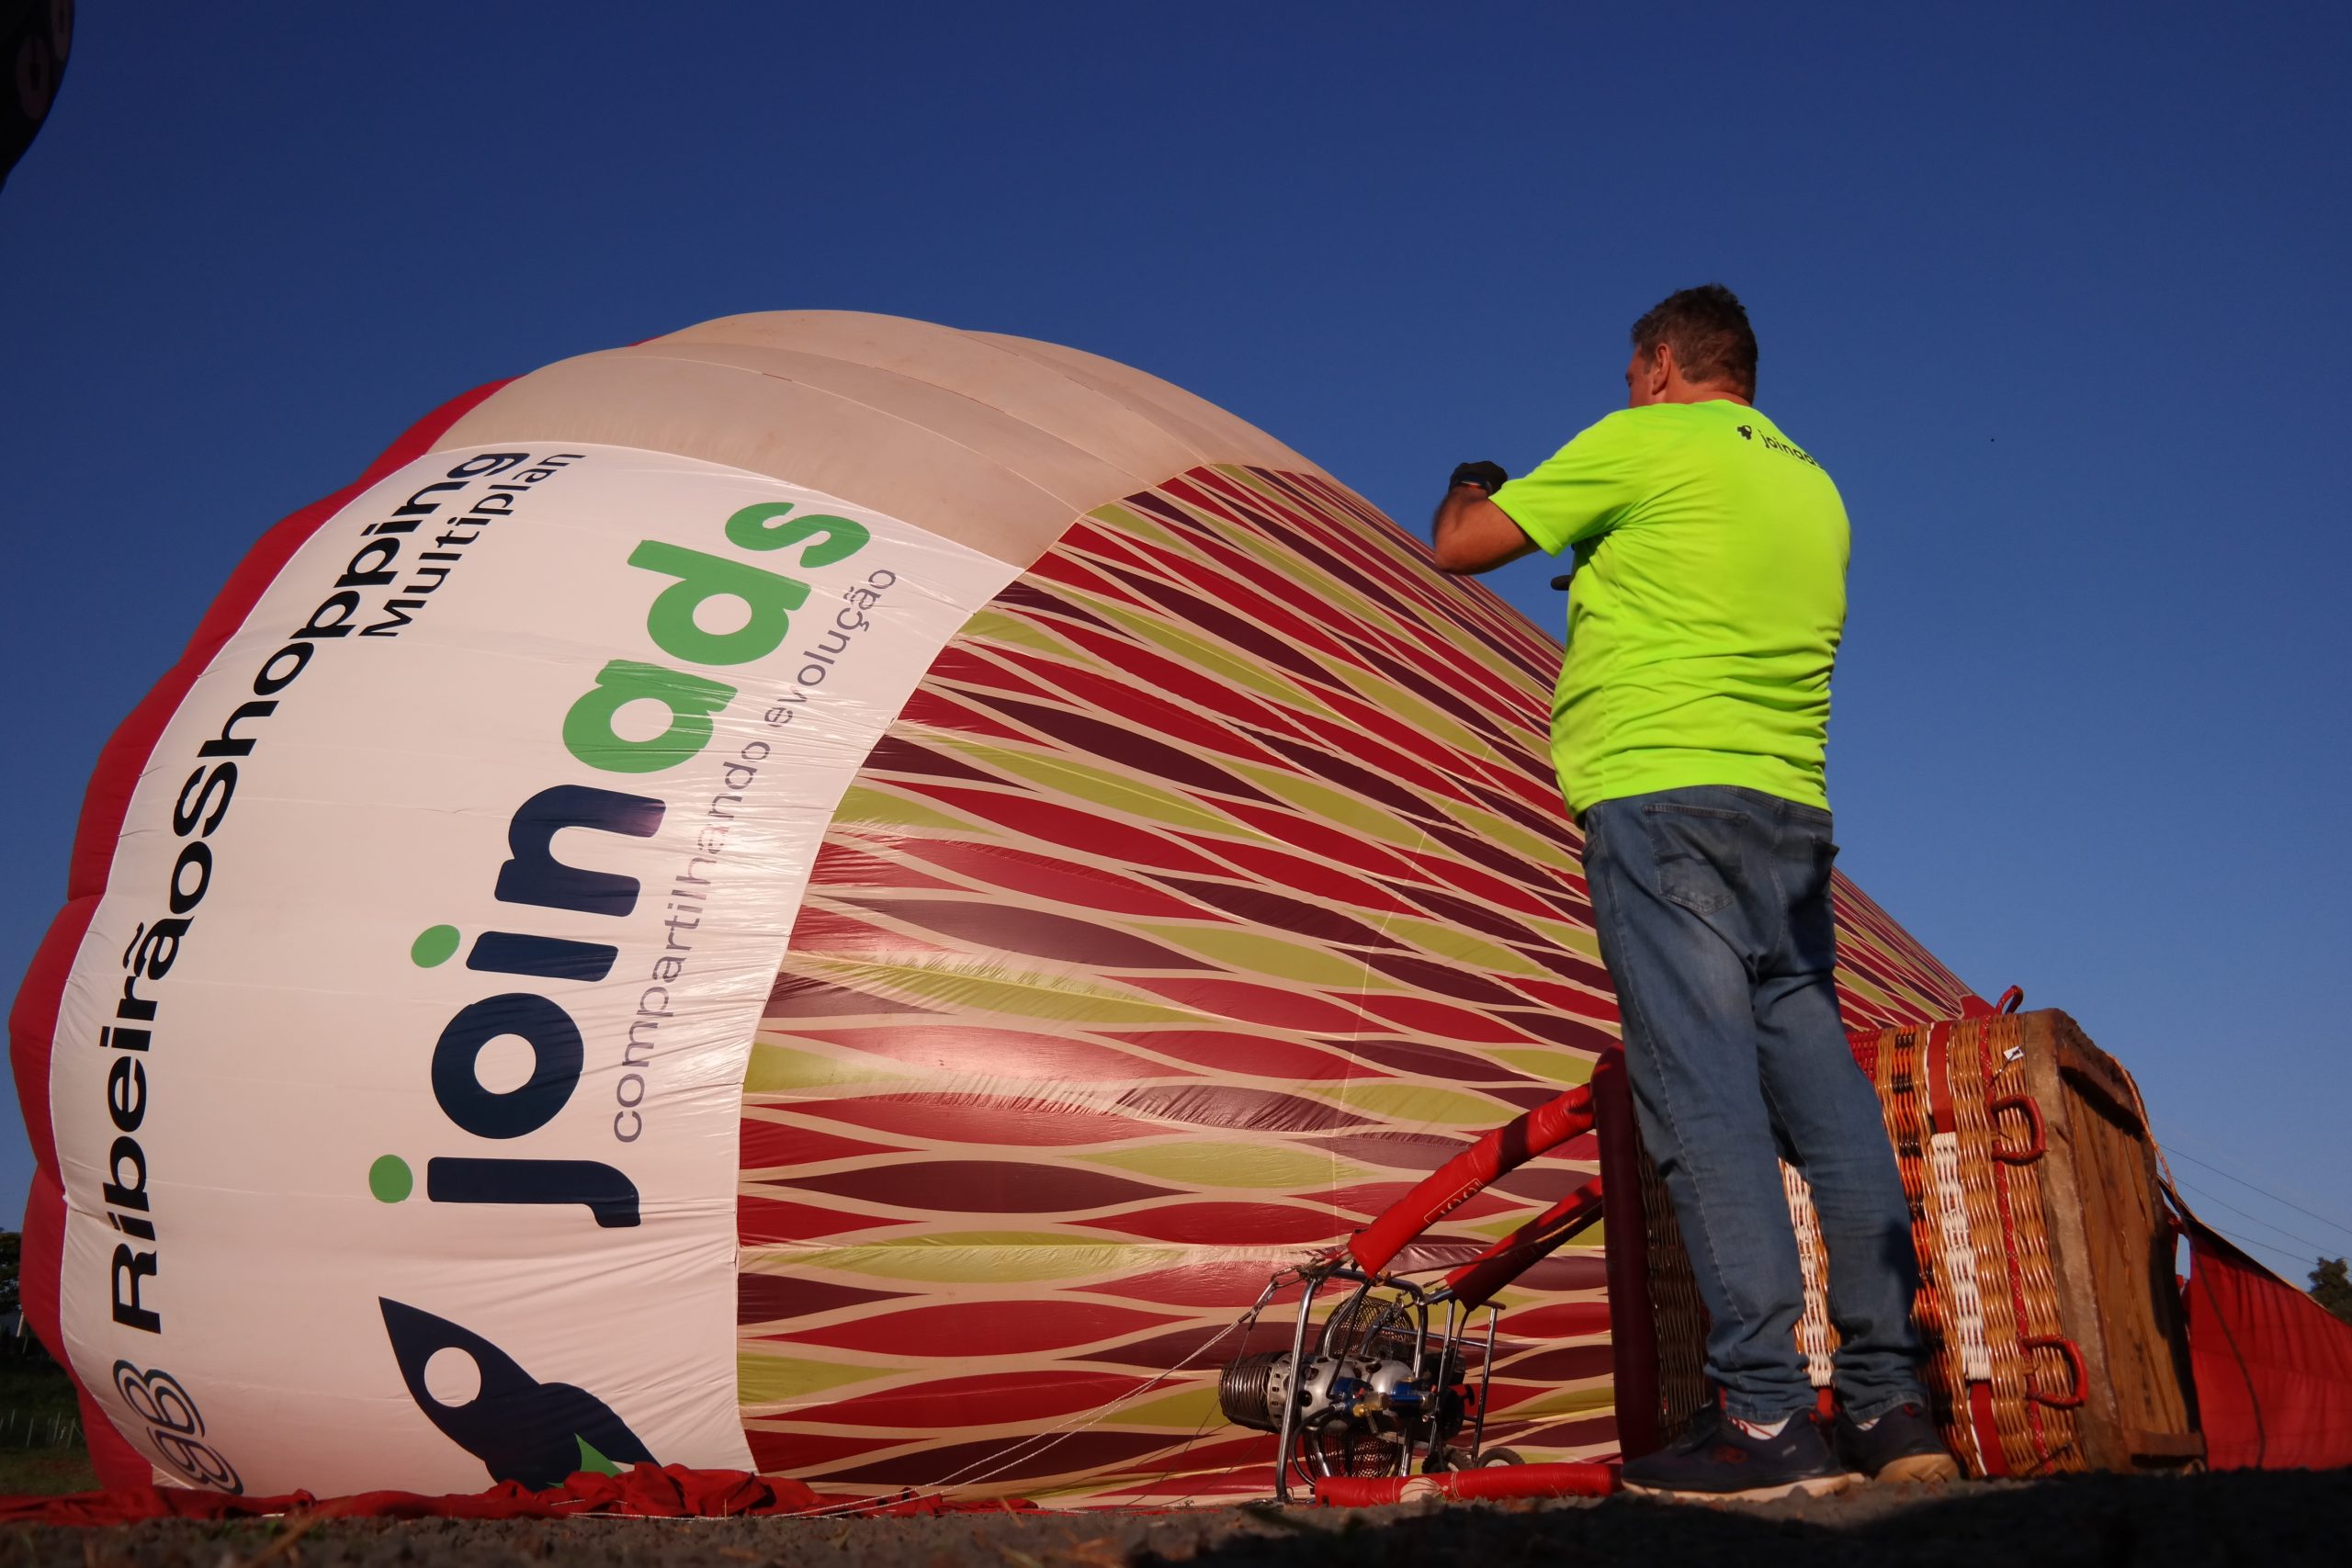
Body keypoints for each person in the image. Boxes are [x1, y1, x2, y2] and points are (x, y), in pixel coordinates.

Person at [1430, 285, 1958, 1499]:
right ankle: (1889, 1406)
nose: (1625, 393)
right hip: (1788, 816)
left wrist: (1475, 479)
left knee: (1700, 1094)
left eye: (1630, 375)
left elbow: (1459, 548)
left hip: (1661, 797)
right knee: (1824, 1097)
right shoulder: (1814, 487)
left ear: (1663, 365)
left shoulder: (1640, 442)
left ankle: (1767, 1419)